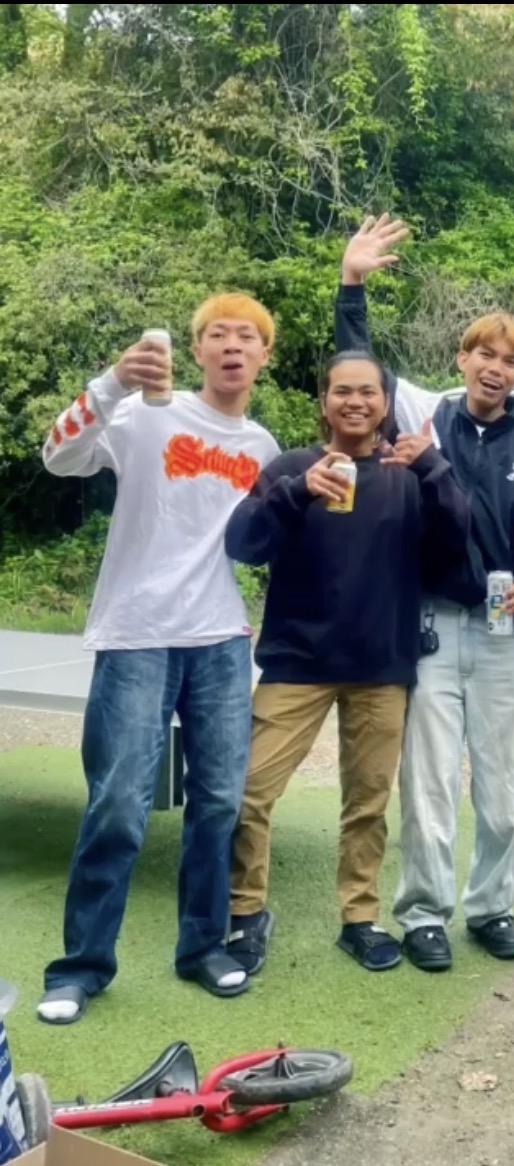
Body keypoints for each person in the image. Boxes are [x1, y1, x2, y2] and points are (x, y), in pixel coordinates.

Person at [37, 294, 280, 1023]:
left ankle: (202, 947)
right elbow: (58, 456)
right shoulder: (145, 414)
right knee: (118, 804)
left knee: (218, 802)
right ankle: (81, 967)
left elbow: (272, 540)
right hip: (136, 632)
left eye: (247, 336)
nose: (232, 345)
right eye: (217, 335)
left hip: (221, 640)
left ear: (264, 356)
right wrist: (113, 381)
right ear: (196, 351)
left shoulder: (263, 448)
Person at [335, 217, 514, 972]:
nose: (496, 368)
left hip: (501, 630)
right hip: (431, 622)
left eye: (512, 360)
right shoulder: (425, 414)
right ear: (462, 358)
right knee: (428, 782)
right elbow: (360, 367)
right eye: (484, 354)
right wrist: (353, 283)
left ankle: (492, 907)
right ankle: (425, 913)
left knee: (506, 788)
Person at [224, 350, 470, 973]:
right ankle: (246, 912)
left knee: (367, 803)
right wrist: (296, 492)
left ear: (386, 404)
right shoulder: (292, 467)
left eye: (367, 392)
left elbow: (456, 544)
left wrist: (435, 467)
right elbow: (243, 542)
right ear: (324, 402)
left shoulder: (409, 473)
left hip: (381, 665)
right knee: (248, 792)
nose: (355, 402)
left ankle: (360, 918)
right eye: (342, 391)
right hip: (296, 662)